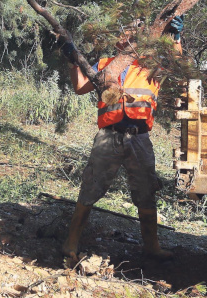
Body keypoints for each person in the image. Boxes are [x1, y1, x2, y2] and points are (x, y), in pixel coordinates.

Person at [60, 16, 184, 264]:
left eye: (134, 33)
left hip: (140, 138)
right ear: (118, 39)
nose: (128, 37)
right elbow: (80, 87)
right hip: (108, 136)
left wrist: (176, 39)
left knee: (146, 190)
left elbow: (177, 66)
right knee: (91, 186)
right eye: (125, 32)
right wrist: (72, 61)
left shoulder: (151, 65)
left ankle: (152, 246)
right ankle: (70, 242)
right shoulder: (106, 64)